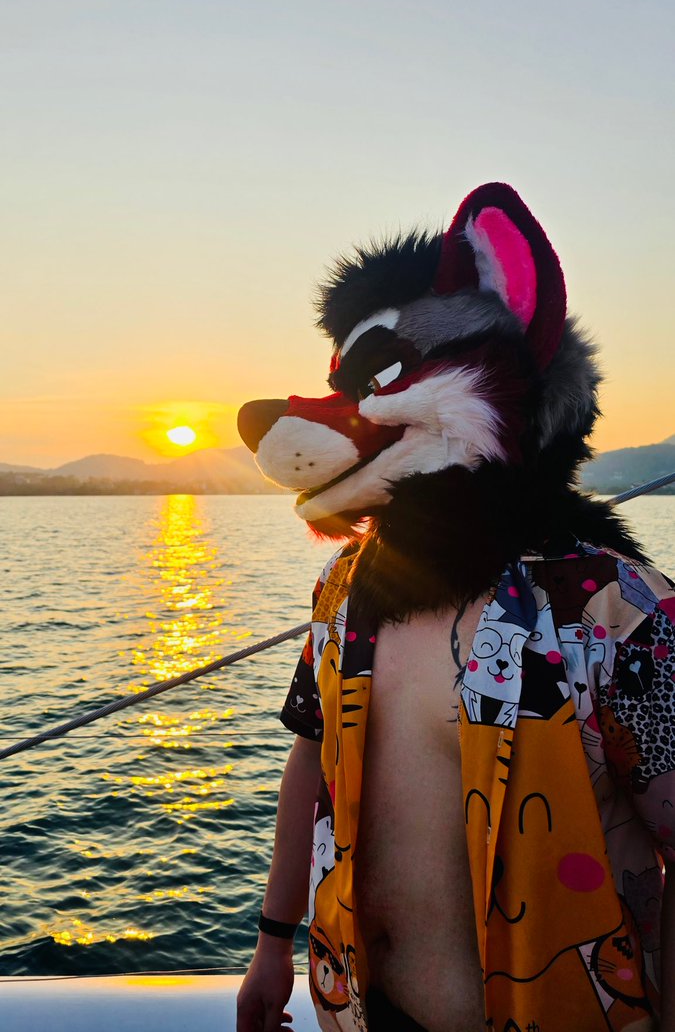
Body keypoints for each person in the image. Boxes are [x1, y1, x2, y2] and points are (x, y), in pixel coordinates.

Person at [236, 183, 675, 1032]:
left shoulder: (613, 609)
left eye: (383, 379)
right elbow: (310, 762)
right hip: (359, 1009)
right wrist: (271, 943)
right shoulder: (346, 590)